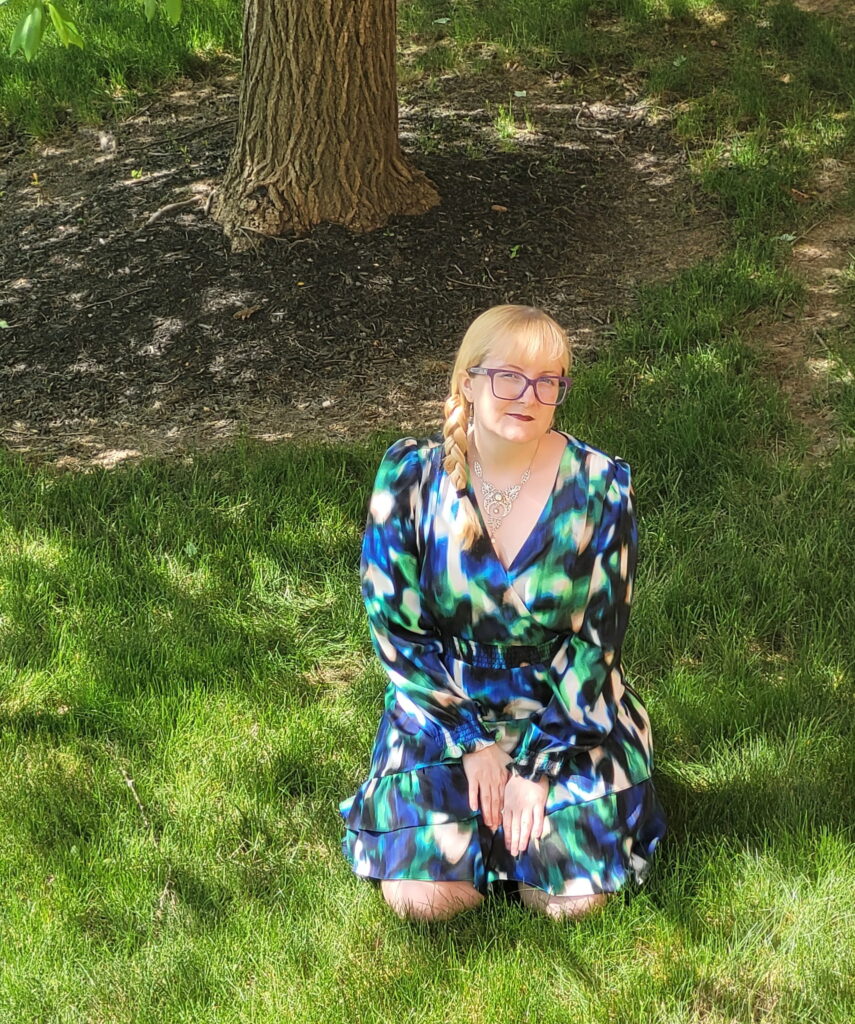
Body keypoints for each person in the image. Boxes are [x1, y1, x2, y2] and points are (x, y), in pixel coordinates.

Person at [339, 304, 666, 921]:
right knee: (426, 901)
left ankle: (533, 835)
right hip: (441, 712)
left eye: (548, 382)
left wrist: (537, 768)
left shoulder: (600, 488)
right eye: (509, 377)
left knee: (568, 903)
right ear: (468, 381)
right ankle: (476, 841)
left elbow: (597, 645)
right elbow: (397, 632)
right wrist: (470, 740)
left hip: (563, 712)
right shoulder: (410, 481)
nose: (528, 396)